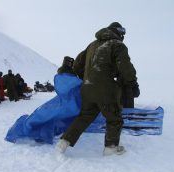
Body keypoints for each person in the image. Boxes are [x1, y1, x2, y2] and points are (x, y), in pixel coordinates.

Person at [56, 22, 139, 156]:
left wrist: (89, 77)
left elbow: (77, 65)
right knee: (114, 118)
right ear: (119, 33)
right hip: (105, 88)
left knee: (84, 116)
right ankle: (111, 148)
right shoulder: (117, 45)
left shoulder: (92, 45)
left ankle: (63, 142)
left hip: (87, 87)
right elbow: (125, 67)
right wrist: (132, 83)